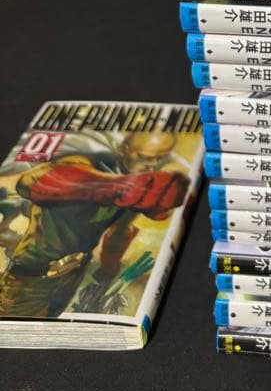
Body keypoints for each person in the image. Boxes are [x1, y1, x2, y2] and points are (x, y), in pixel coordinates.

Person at [0, 132, 189, 319]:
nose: (152, 165)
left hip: (73, 273)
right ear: (124, 149)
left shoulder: (138, 188)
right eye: (144, 157)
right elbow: (29, 183)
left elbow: (119, 232)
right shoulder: (84, 163)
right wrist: (113, 187)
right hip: (33, 274)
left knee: (50, 324)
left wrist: (106, 275)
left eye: (160, 158)